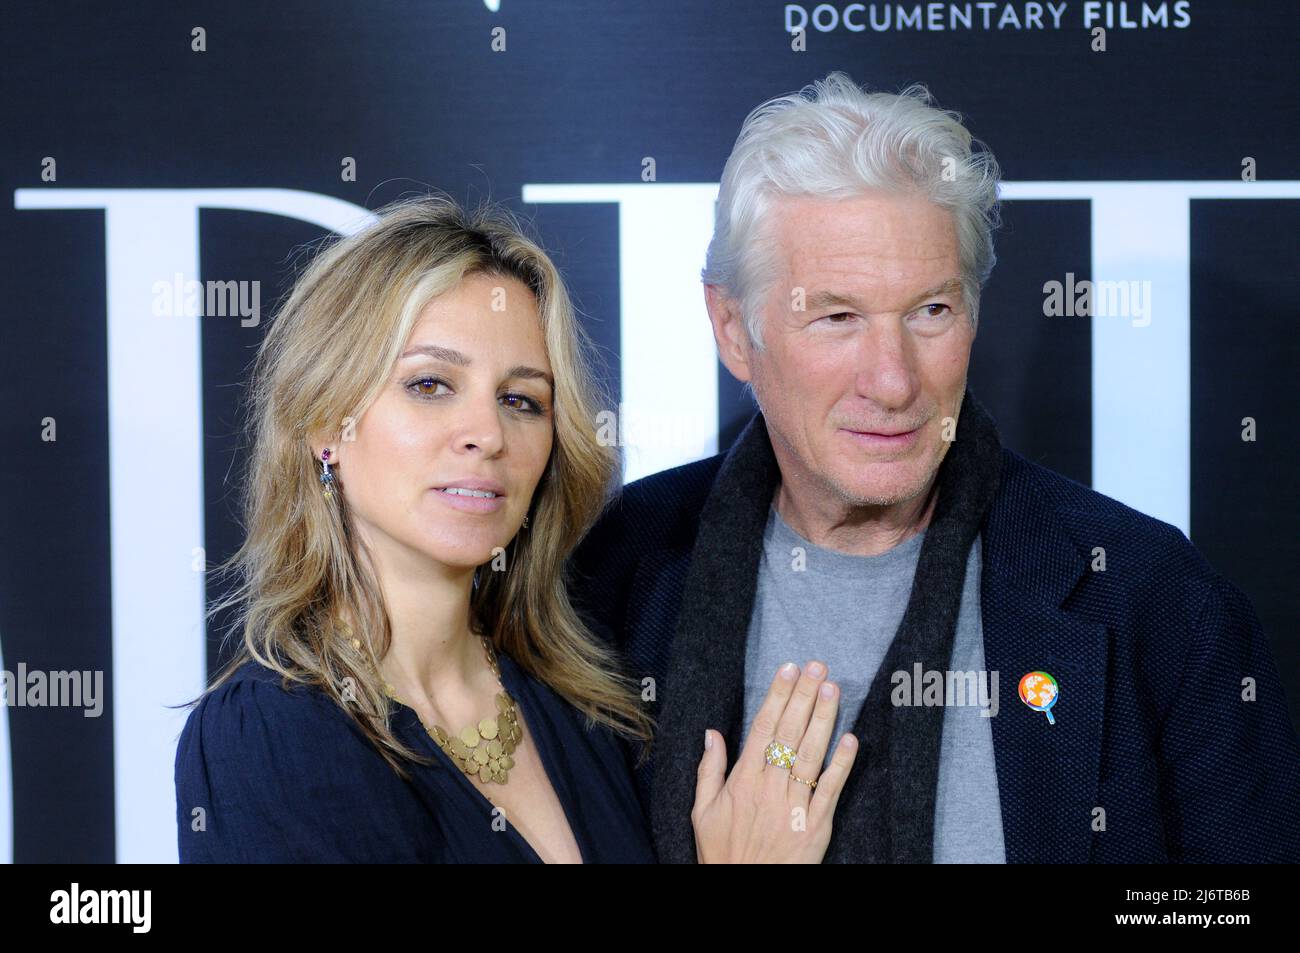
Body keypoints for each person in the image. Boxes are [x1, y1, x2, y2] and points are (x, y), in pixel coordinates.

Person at [568, 72, 1300, 863]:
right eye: (838, 316)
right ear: (733, 327)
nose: (893, 380)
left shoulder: (1153, 598)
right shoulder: (609, 585)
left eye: (930, 311)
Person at [174, 193, 857, 863]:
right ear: (326, 423)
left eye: (520, 399)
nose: (487, 434)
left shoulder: (582, 702)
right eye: (429, 384)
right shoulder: (269, 736)